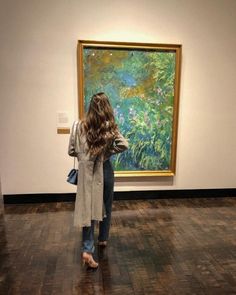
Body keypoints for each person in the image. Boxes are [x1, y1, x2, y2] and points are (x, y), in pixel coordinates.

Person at [68, 92, 128, 269]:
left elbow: (71, 150)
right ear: (107, 107)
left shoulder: (78, 125)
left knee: (88, 208)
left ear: (91, 107)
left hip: (86, 171)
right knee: (106, 204)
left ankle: (87, 249)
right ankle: (103, 238)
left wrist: (84, 157)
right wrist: (105, 154)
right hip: (105, 168)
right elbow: (124, 144)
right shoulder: (109, 127)